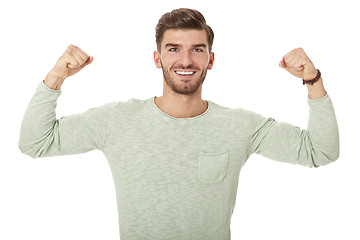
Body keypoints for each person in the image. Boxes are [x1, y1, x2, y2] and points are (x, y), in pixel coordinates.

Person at [19, 8, 339, 240]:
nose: (186, 61)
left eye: (197, 50)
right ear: (158, 59)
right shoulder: (116, 121)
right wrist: (57, 76)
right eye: (174, 49)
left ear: (210, 60)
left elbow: (320, 151)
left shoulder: (240, 126)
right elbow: (35, 142)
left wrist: (312, 79)